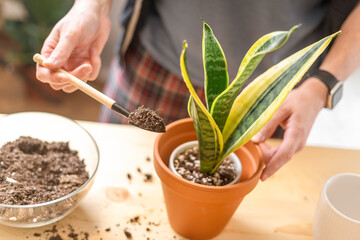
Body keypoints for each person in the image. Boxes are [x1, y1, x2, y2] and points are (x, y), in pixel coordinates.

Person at [36, 0, 360, 180]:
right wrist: (92, 6)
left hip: (270, 96)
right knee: (118, 174)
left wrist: (322, 85)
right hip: (157, 61)